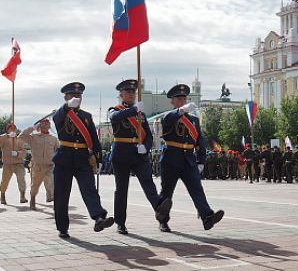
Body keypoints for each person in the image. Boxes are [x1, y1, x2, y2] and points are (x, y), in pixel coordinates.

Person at [108, 79, 172, 235]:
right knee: (121, 190)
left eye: (133, 92)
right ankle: (120, 223)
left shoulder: (141, 114)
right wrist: (133, 110)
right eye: (127, 92)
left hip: (139, 153)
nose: (131, 94)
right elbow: (115, 117)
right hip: (121, 154)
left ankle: (160, 210)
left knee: (148, 183)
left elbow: (149, 136)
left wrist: (146, 147)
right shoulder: (113, 109)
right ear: (121, 94)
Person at [159, 84, 224, 232]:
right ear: (172, 101)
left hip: (188, 159)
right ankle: (163, 220)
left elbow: (200, 141)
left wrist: (201, 160)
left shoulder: (194, 120)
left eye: (184, 98)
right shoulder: (169, 116)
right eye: (179, 98)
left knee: (197, 190)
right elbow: (167, 118)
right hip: (171, 158)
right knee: (167, 192)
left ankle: (207, 217)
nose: (182, 100)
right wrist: (181, 111)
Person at [52, 82, 114, 238]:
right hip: (64, 158)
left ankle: (99, 217)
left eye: (79, 96)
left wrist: (99, 160)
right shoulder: (60, 113)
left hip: (82, 158)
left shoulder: (86, 116)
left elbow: (94, 138)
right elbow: (57, 117)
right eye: (73, 95)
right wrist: (67, 107)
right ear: (66, 97)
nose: (76, 98)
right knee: (61, 195)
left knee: (89, 190)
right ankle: (63, 227)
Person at [19, 119, 59, 210]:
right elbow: (21, 136)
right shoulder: (33, 137)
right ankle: (32, 200)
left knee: (50, 182)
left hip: (49, 165)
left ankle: (50, 196)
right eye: (43, 124)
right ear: (39, 127)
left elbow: (58, 151)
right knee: (35, 185)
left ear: (49, 126)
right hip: (37, 165)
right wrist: (32, 128)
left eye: (47, 124)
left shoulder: (53, 139)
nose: (45, 125)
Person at [0, 123, 28, 205]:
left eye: (14, 129)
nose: (12, 130)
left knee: (21, 179)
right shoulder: (4, 138)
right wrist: (7, 136)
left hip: (18, 163)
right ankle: (2, 196)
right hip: (7, 164)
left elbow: (24, 151)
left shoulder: (19, 139)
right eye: (10, 129)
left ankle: (22, 196)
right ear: (7, 130)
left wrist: (18, 153)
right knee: (4, 181)